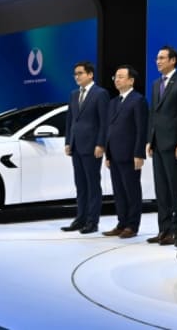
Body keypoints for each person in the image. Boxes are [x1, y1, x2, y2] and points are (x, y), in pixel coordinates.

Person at [146, 46, 177, 245]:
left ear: (173, 60)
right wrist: (150, 139)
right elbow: (153, 115)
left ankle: (176, 230)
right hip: (158, 145)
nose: (158, 61)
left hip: (173, 146)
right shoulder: (156, 84)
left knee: (175, 189)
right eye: (157, 58)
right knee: (161, 190)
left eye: (162, 58)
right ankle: (163, 229)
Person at [62, 61, 109, 234]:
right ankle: (80, 218)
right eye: (75, 74)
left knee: (92, 185)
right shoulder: (74, 94)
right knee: (80, 185)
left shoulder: (100, 94)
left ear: (90, 74)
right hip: (76, 146)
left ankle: (92, 221)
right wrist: (68, 141)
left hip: (92, 146)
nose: (77, 76)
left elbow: (104, 122)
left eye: (80, 73)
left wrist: (101, 144)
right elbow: (70, 120)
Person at [102, 65, 148, 239]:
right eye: (116, 77)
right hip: (114, 154)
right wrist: (108, 154)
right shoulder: (113, 102)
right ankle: (121, 222)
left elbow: (141, 129)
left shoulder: (138, 100)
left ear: (131, 80)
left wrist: (139, 154)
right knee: (119, 191)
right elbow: (109, 130)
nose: (117, 79)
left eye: (121, 76)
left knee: (132, 191)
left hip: (130, 154)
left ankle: (132, 225)